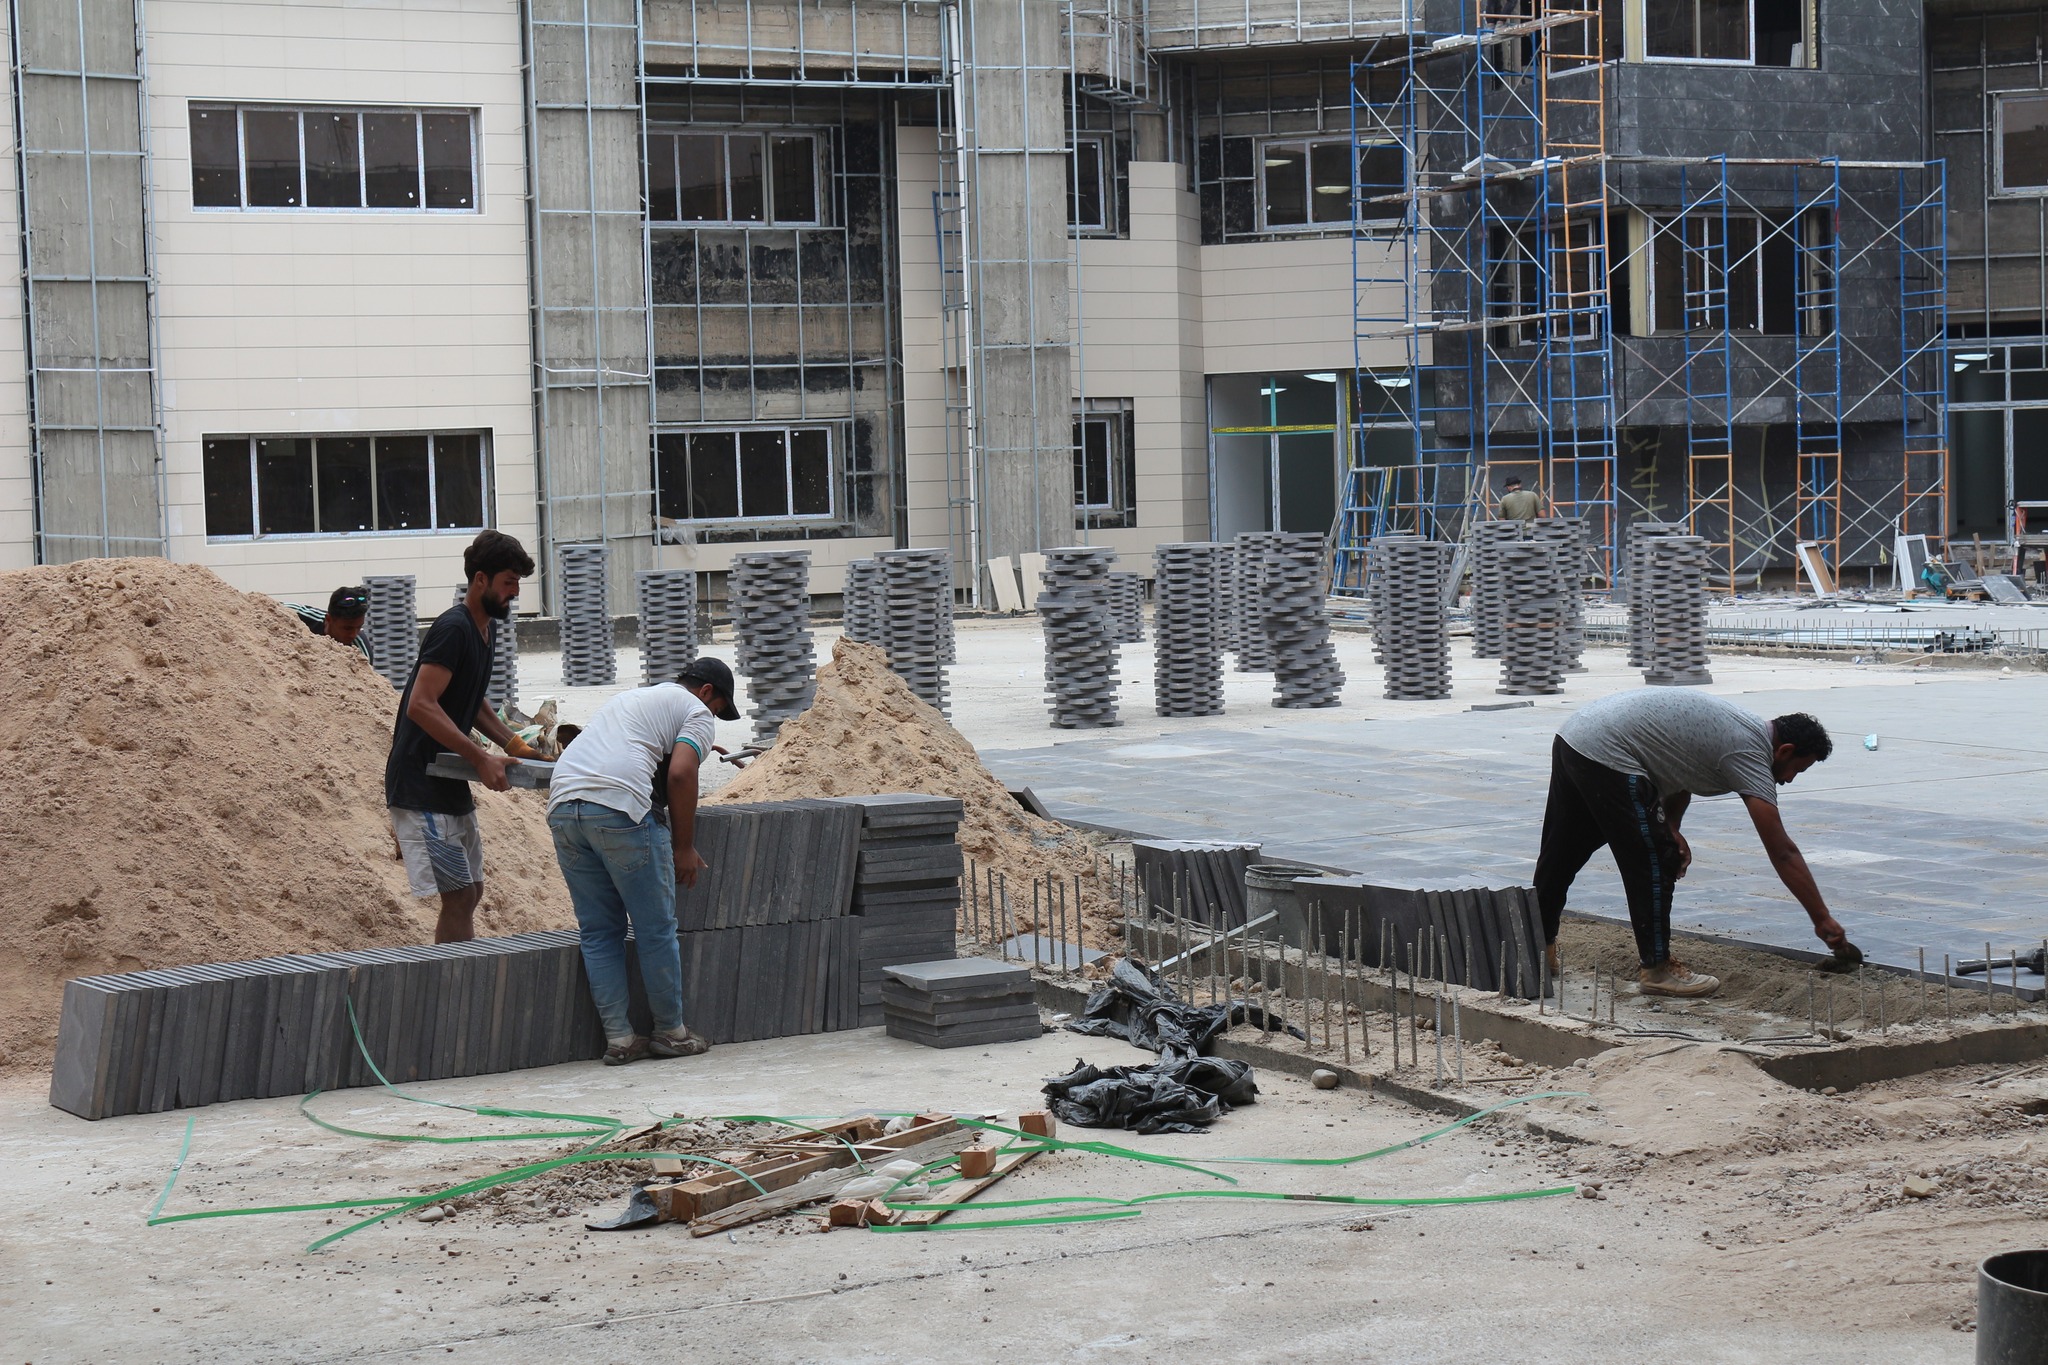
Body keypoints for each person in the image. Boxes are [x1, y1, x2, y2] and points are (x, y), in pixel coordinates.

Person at [1532, 689, 1845, 998]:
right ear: (1785, 751)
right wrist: (1822, 919)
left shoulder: (1739, 728)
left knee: (1562, 852)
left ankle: (1537, 949)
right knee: (1656, 858)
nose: (1789, 779)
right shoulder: (1749, 752)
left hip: (1575, 737)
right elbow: (1782, 851)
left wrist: (1670, 825)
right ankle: (1657, 970)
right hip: (1610, 750)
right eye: (1798, 769)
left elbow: (1682, 770)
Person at [545, 658, 742, 1065]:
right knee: (655, 929)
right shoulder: (698, 712)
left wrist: (689, 749)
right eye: (719, 709)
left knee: (599, 931)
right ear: (706, 692)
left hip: (564, 806)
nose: (714, 718)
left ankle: (620, 1039)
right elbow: (681, 776)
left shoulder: (634, 698)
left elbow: (642, 753)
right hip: (619, 810)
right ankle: (671, 1032)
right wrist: (684, 847)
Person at [384, 531, 539, 943]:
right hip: (420, 786)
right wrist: (479, 757)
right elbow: (421, 703)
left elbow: (473, 700)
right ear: (481, 580)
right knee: (458, 895)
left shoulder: (482, 630)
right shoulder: (453, 628)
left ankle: (457, 978)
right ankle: (451, 989)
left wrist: (512, 743)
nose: (515, 592)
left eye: (518, 583)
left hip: (446, 781)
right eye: (509, 582)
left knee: (473, 891)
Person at [288, 585, 374, 665]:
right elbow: (275, 608)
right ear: (328, 619)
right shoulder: (304, 616)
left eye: (359, 627)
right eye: (347, 628)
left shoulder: (361, 653)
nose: (353, 634)